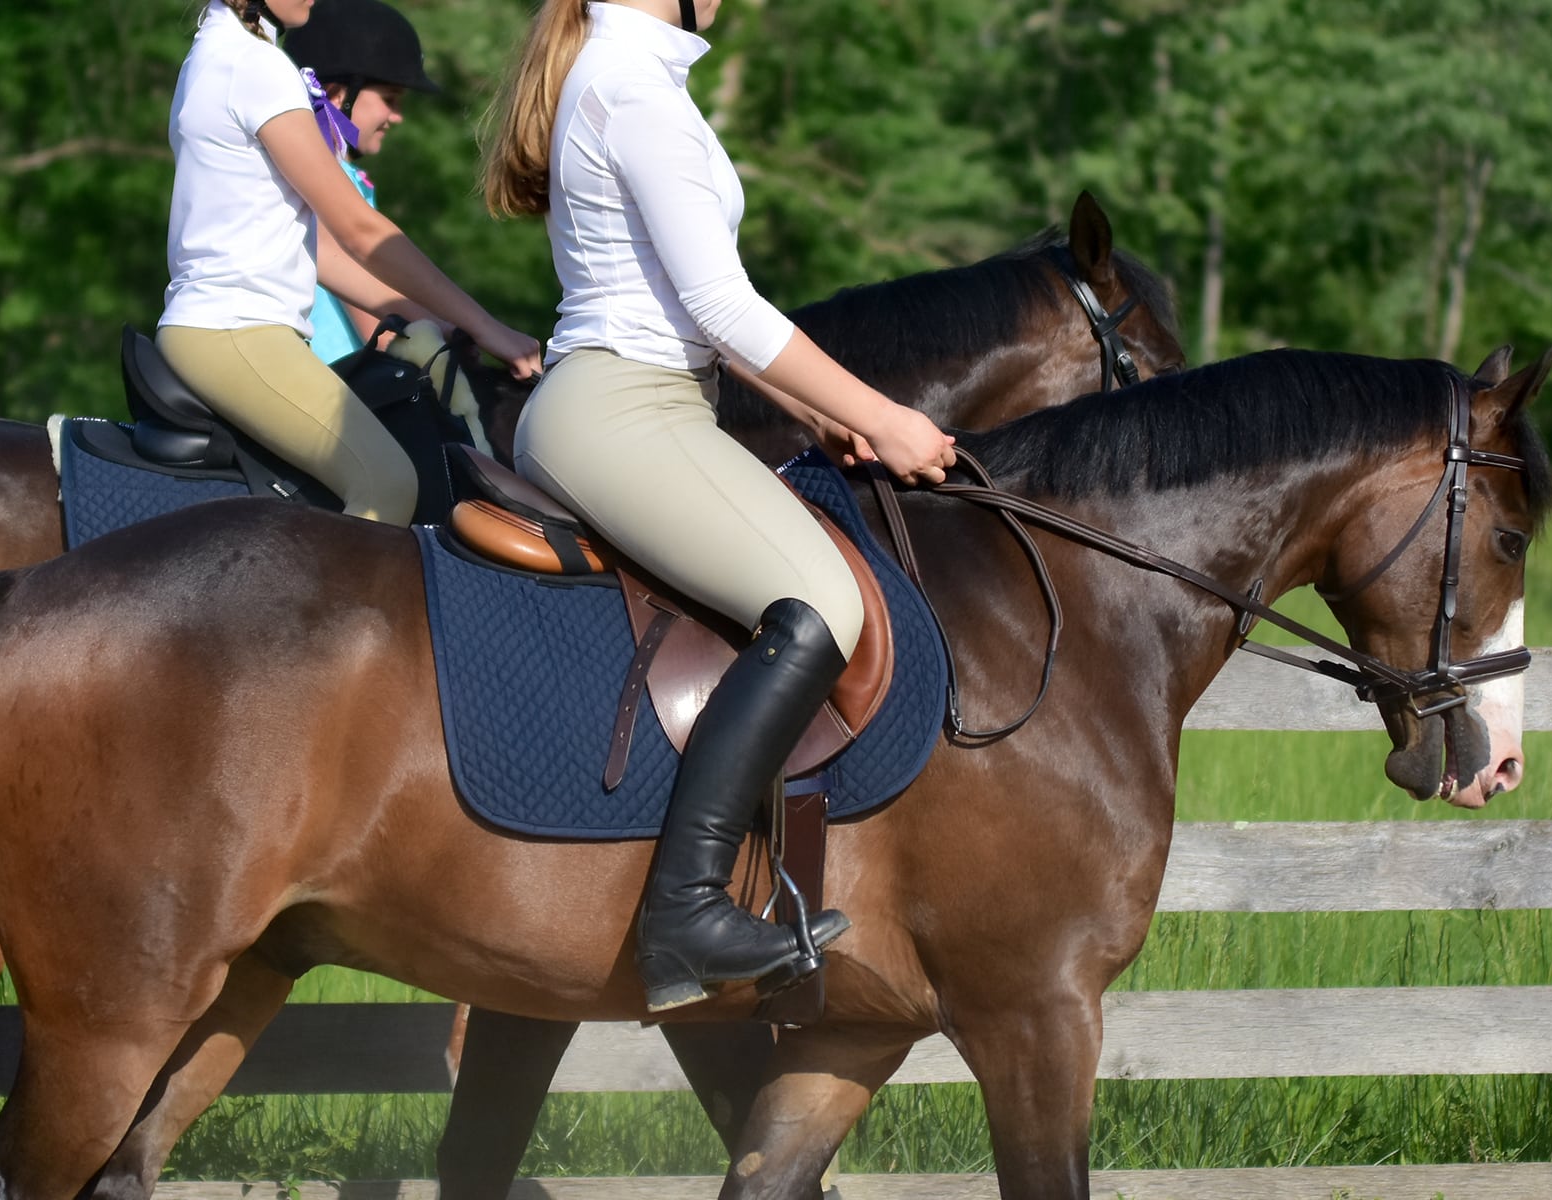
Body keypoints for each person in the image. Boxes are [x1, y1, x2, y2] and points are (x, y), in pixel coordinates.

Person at [482, 0, 957, 1012]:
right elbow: (721, 306)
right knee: (823, 603)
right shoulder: (631, 86)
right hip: (624, 406)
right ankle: (688, 909)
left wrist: (811, 413)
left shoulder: (636, 75)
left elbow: (695, 310)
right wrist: (889, 417)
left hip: (647, 398)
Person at [159, 0, 542, 526]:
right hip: (238, 329)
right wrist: (488, 326)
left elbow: (325, 254)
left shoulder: (219, 54)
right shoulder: (254, 65)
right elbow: (361, 233)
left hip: (228, 328)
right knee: (387, 482)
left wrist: (446, 322)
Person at [281, 0, 445, 364]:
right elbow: (381, 330)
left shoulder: (343, 176)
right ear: (339, 94)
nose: (397, 117)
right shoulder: (326, 181)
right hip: (341, 385)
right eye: (390, 100)